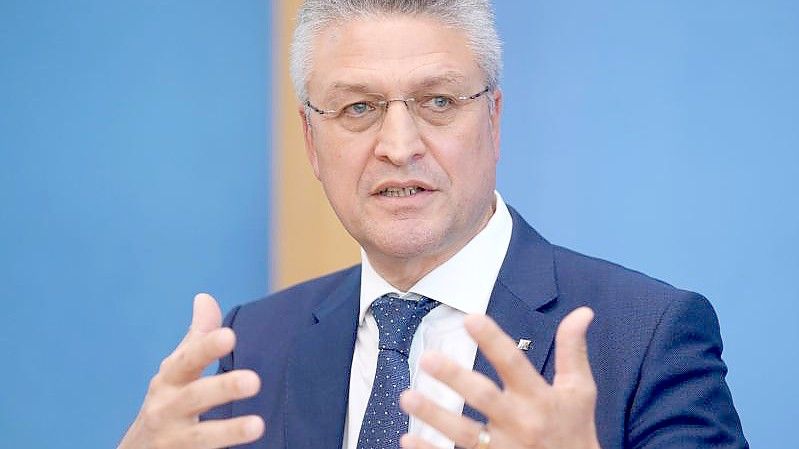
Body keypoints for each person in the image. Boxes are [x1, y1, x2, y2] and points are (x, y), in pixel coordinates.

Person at [118, 1, 747, 448]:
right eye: (358, 107)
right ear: (311, 143)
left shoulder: (644, 336)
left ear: (493, 121)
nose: (399, 144)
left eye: (438, 102)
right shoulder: (252, 345)